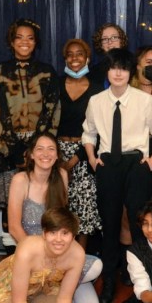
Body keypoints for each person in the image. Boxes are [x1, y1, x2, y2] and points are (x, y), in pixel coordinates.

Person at [83, 48, 152, 303]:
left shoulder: (145, 100)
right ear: (107, 71)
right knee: (109, 225)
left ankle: (142, 286)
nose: (118, 73)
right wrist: (92, 159)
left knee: (139, 225)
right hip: (107, 165)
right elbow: (88, 134)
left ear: (131, 72)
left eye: (123, 68)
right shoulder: (96, 101)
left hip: (136, 164)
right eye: (113, 68)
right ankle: (108, 282)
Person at [7, 132, 102, 303]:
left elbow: (61, 222)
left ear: (57, 155)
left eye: (51, 149)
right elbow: (14, 227)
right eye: (40, 149)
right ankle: (58, 286)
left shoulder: (62, 175)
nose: (46, 154)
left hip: (58, 248)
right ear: (31, 154)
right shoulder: (20, 180)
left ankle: (66, 283)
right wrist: (37, 256)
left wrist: (57, 254)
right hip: (31, 254)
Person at [0, 19, 60, 247]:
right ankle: (13, 261)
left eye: (30, 38)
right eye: (19, 37)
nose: (24, 42)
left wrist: (34, 146)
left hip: (39, 150)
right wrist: (11, 148)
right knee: (11, 211)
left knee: (39, 206)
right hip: (7, 149)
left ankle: (41, 256)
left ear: (36, 42)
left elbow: (52, 109)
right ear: (11, 41)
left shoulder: (47, 72)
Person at [56, 38, 103, 251]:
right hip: (55, 154)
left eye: (80, 54)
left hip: (84, 153)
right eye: (70, 54)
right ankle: (59, 255)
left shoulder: (97, 90)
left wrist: (73, 161)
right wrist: (58, 159)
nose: (75, 58)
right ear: (65, 59)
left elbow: (97, 131)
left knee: (84, 209)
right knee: (60, 207)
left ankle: (80, 258)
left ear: (87, 58)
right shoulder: (55, 85)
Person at [90, 22, 129, 87]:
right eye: (105, 39)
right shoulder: (93, 71)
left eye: (114, 37)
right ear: (101, 45)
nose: (110, 42)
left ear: (121, 41)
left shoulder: (133, 66)